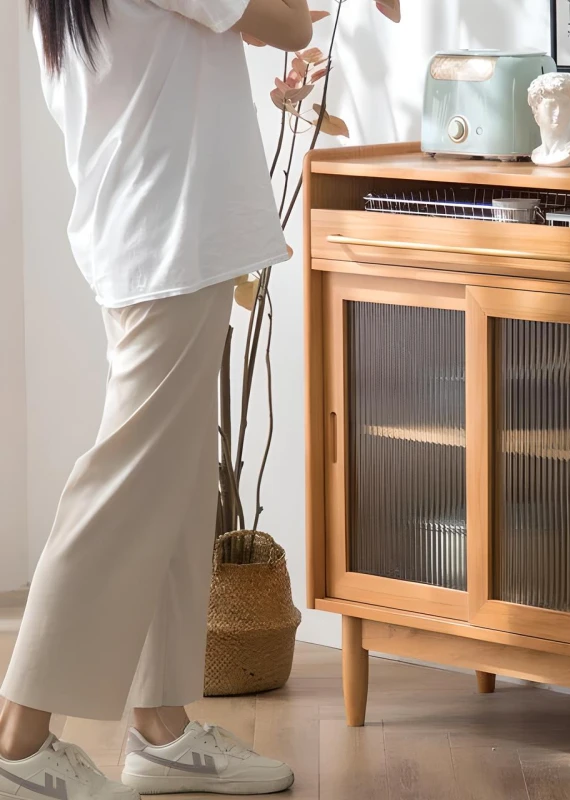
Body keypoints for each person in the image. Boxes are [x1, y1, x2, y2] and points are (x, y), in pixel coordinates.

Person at [0, 0, 313, 797]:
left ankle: (161, 728)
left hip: (150, 235)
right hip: (171, 237)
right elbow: (288, 25)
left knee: (173, 485)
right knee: (127, 488)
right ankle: (19, 742)